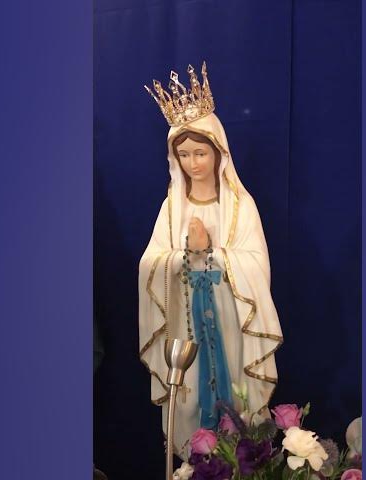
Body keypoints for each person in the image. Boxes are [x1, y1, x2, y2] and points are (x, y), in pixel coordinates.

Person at [139, 63, 283, 457]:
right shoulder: (172, 208)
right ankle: (195, 462)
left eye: (200, 152)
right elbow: (149, 264)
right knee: (189, 398)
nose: (193, 163)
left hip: (231, 319)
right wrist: (184, 255)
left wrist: (213, 254)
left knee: (237, 393)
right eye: (183, 154)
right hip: (185, 322)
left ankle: (240, 461)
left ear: (219, 152)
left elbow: (257, 265)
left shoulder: (239, 206)